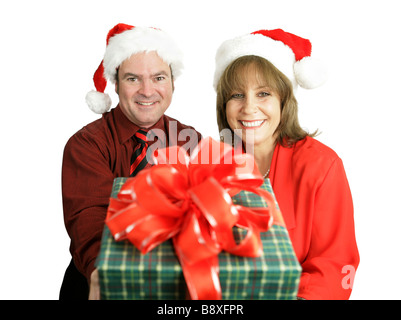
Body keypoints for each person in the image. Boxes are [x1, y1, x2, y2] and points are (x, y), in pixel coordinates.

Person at [214, 29, 359, 300]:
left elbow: (334, 263)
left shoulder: (321, 166)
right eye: (236, 95)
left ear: (284, 100)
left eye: (263, 93)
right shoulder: (210, 164)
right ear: (224, 105)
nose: (249, 108)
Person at [60, 23, 202, 300]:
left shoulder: (190, 140)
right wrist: (106, 270)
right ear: (115, 83)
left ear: (173, 82)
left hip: (174, 284)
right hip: (100, 281)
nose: (147, 91)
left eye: (159, 78)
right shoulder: (87, 144)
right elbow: (88, 217)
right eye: (133, 79)